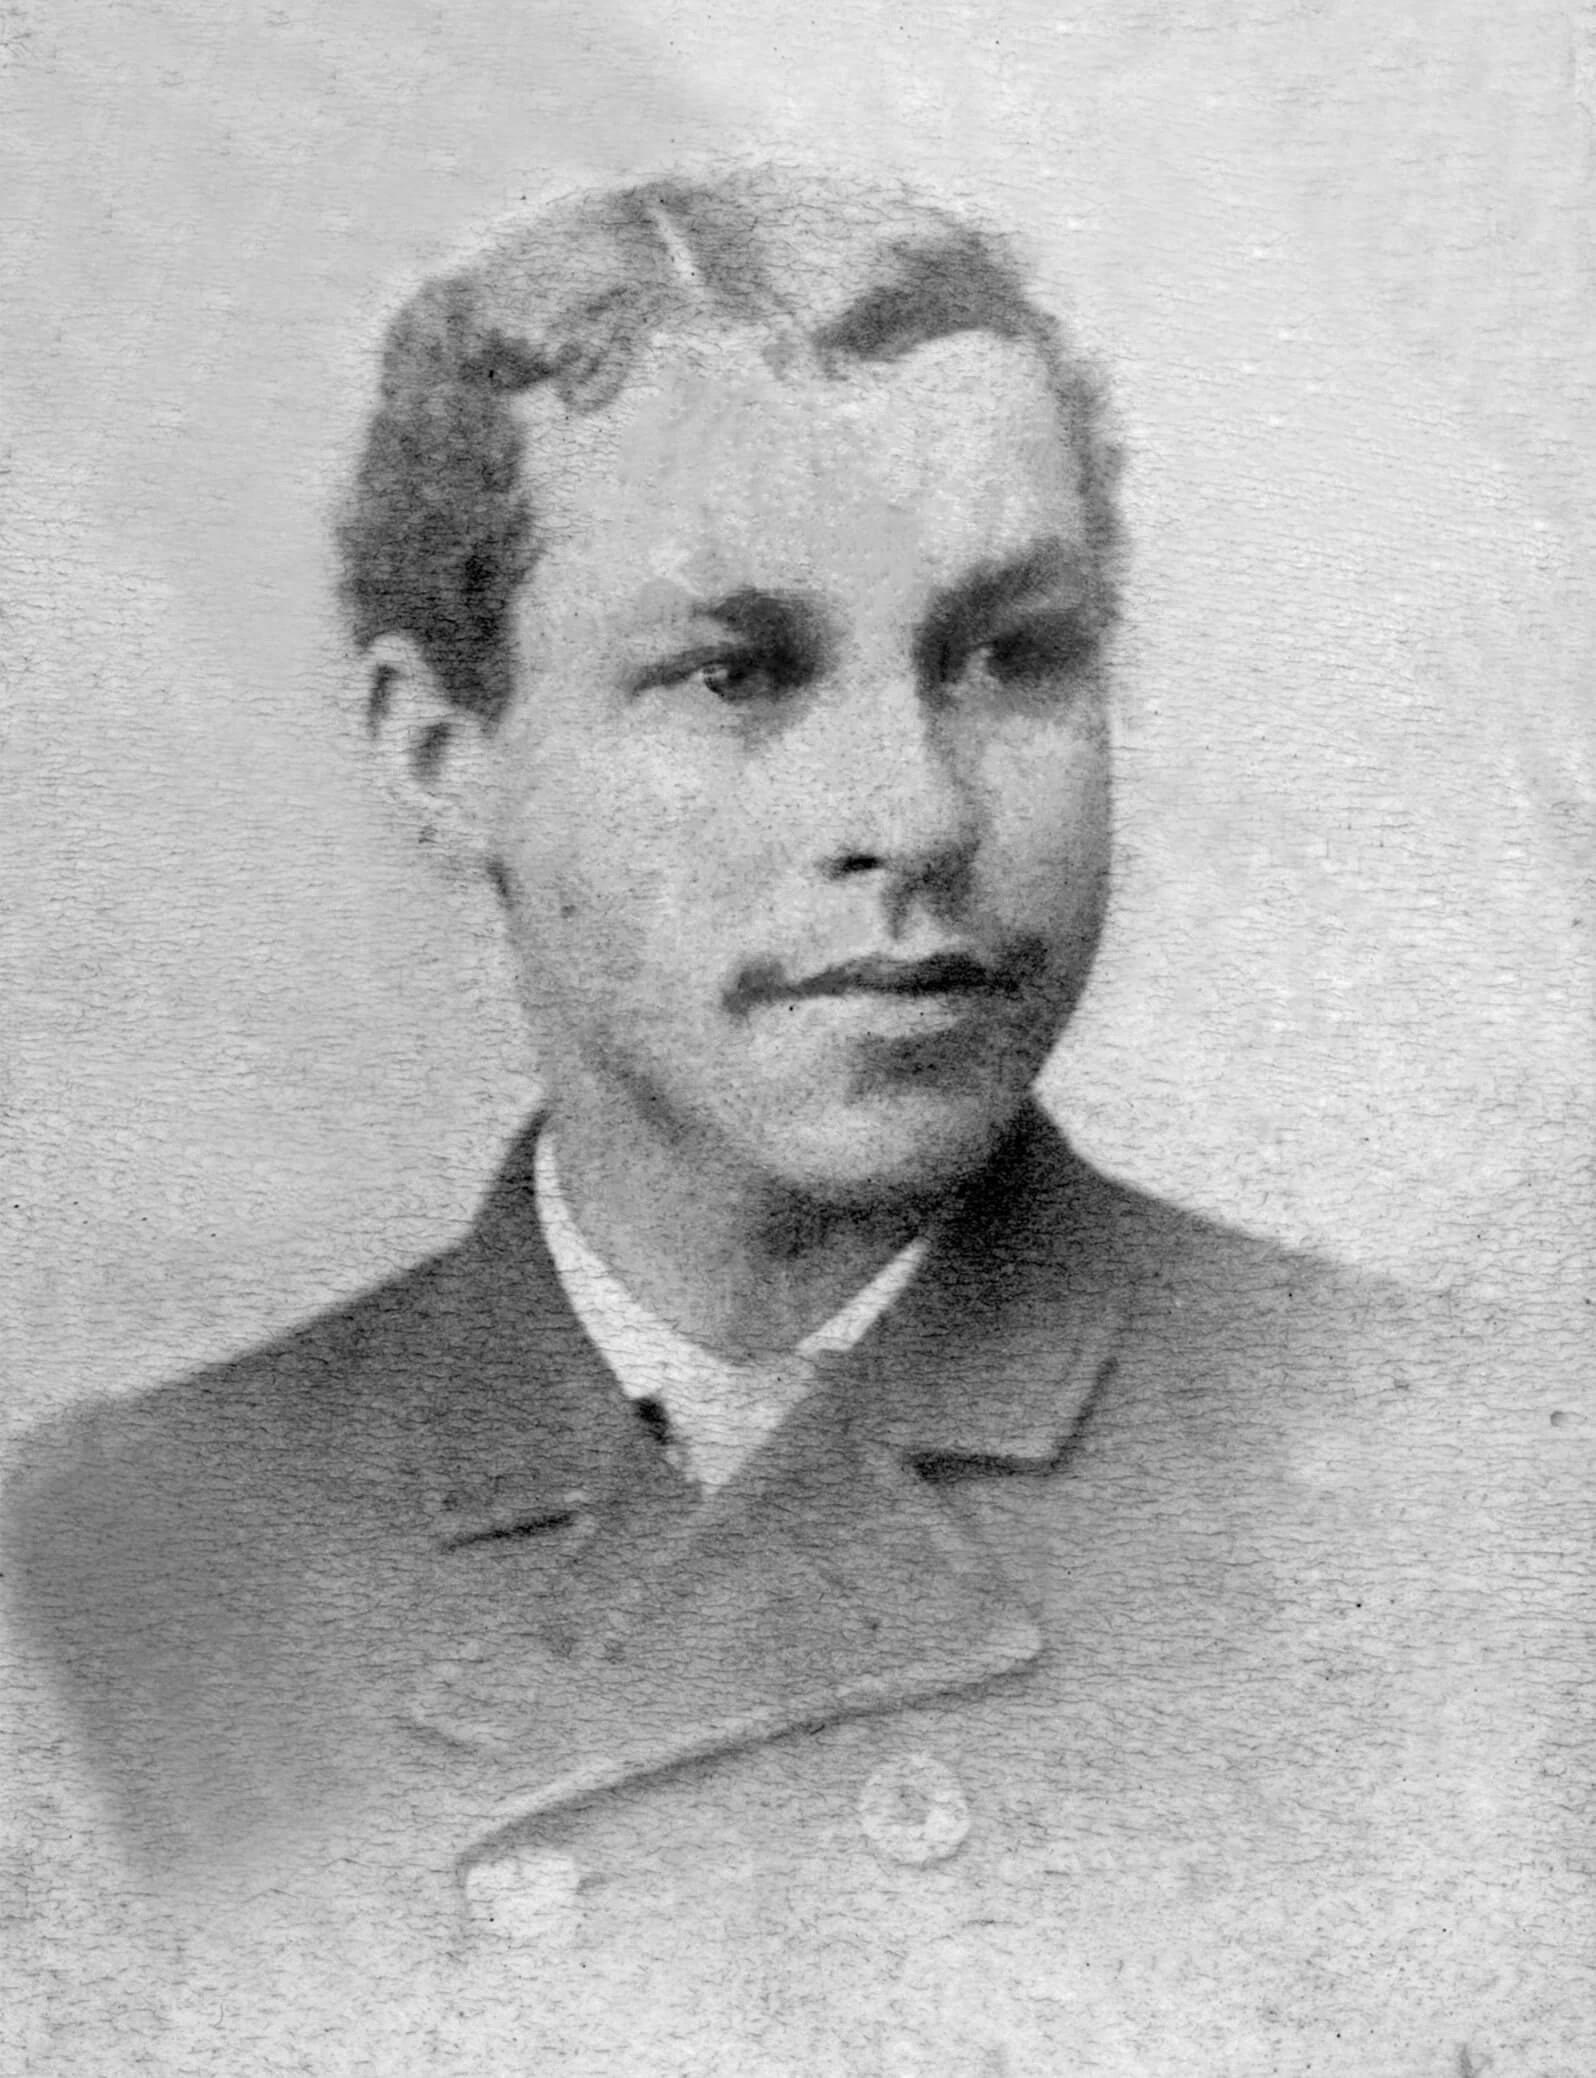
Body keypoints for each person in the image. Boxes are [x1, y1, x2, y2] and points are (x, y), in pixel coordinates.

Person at [2, 166, 1586, 2078]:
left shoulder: (1485, 1504)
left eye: (1015, 654)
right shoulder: (110, 1582)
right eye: (737, 674)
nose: (915, 812)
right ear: (446, 758)